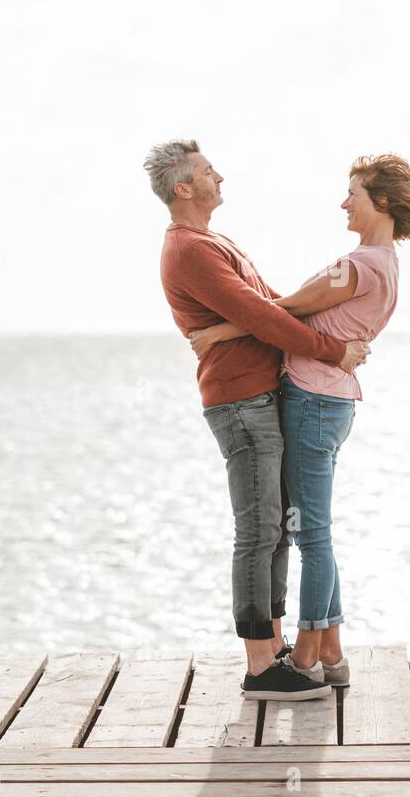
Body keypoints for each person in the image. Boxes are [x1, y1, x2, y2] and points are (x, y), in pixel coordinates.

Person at [189, 153, 410, 690]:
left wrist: (218, 334)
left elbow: (285, 308)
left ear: (381, 202)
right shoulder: (385, 264)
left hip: (313, 401)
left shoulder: (357, 265)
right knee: (314, 532)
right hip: (332, 401)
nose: (344, 202)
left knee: (310, 536)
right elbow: (291, 309)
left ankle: (304, 656)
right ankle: (333, 652)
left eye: (354, 194)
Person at [144, 139, 371, 702]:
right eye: (206, 171)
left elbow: (270, 305)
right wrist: (331, 350)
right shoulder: (191, 250)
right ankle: (260, 666)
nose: (219, 175)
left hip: (260, 395)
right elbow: (261, 315)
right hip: (238, 400)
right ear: (184, 188)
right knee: (258, 531)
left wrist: (247, 326)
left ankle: (274, 654)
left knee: (277, 533)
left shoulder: (213, 241)